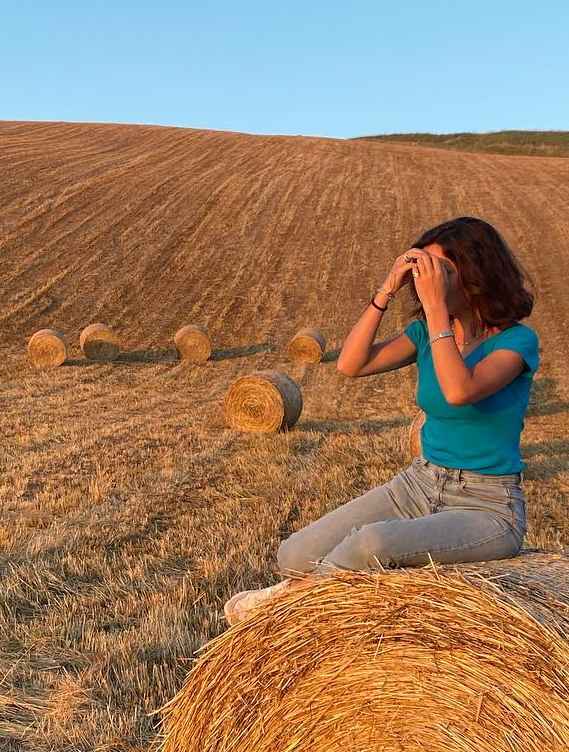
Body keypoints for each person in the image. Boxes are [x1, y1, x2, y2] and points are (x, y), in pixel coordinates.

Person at [224, 216, 539, 626]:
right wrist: (387, 288)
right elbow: (351, 364)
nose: (427, 279)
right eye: (422, 267)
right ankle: (300, 587)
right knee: (294, 555)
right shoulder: (426, 333)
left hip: (487, 506)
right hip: (420, 482)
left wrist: (438, 310)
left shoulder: (516, 342)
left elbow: (459, 389)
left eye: (441, 269)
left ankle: (288, 605)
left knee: (371, 543)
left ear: (475, 272)